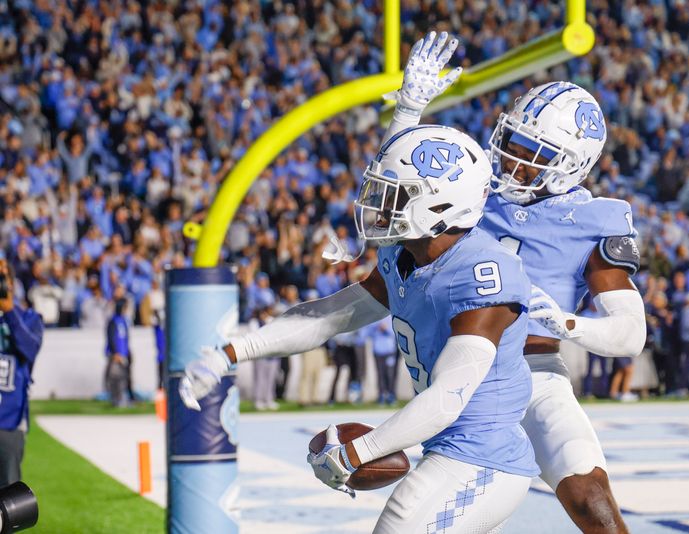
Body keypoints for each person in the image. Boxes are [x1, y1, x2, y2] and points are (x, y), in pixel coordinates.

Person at [180, 125, 537, 533]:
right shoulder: (405, 255)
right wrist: (230, 353)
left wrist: (355, 454)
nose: (382, 207)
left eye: (397, 195)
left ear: (439, 207)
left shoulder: (482, 272)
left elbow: (446, 398)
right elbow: (329, 316)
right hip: (450, 449)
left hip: (483, 457)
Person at [362, 32, 645, 533]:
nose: (511, 158)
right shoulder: (472, 184)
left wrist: (565, 321)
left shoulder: (591, 218)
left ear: (571, 165)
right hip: (460, 368)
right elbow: (394, 184)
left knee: (589, 494)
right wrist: (408, 111)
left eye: (531, 151)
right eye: (512, 141)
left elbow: (629, 335)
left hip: (534, 371)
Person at [0, 259, 44, 487]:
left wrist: (9, 312)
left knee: (7, 498)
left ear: (11, 284)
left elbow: (30, 348)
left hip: (10, 420)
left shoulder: (29, 319)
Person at [105, 299, 131, 407]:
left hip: (123, 354)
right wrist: (115, 353)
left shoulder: (124, 321)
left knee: (123, 378)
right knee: (115, 378)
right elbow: (111, 337)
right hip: (116, 355)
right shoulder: (113, 321)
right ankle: (115, 400)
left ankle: (122, 398)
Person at [370, 315, 398, 405]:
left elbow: (396, 333)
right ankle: (381, 395)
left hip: (389, 351)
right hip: (378, 351)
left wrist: (386, 329)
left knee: (390, 374)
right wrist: (376, 327)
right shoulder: (375, 317)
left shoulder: (391, 316)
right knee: (380, 375)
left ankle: (391, 395)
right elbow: (368, 333)